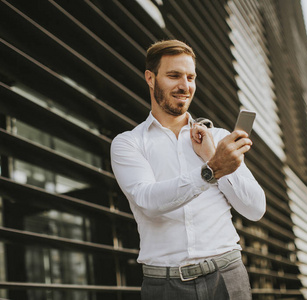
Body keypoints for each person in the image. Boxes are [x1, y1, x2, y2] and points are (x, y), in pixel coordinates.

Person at [110, 39, 266, 300]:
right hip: (166, 286)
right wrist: (211, 170)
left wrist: (216, 159)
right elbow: (148, 200)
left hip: (228, 276)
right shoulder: (128, 143)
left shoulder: (217, 137)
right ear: (150, 78)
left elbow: (255, 208)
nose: (185, 86)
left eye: (190, 77)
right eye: (174, 76)